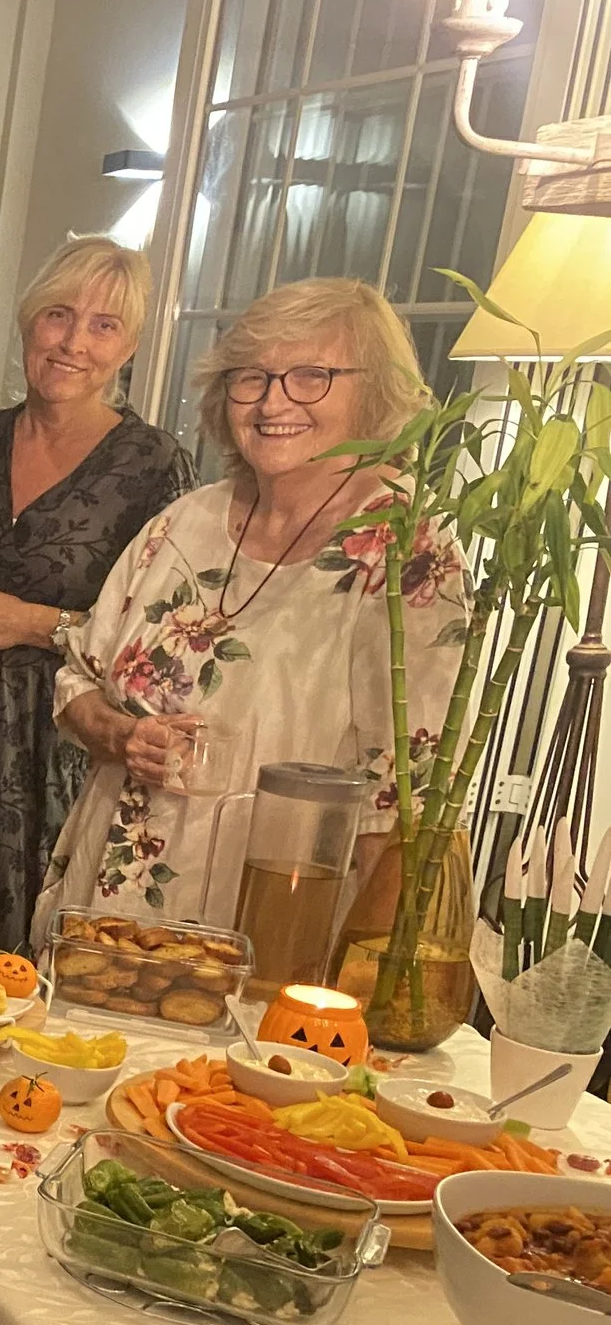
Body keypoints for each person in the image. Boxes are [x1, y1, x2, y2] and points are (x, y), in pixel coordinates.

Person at [49, 277, 467, 925]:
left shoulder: (406, 547)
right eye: (252, 377)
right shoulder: (183, 523)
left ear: (376, 392)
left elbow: (405, 809)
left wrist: (361, 974)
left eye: (311, 376)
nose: (274, 401)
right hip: (107, 926)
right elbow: (77, 680)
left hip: (274, 932)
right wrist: (124, 735)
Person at [0, 237, 192, 951]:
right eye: (59, 315)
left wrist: (41, 623)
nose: (73, 343)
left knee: (26, 964)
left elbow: (171, 641)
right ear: (29, 321)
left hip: (60, 754)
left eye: (104, 325)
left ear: (129, 347)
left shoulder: (154, 466)